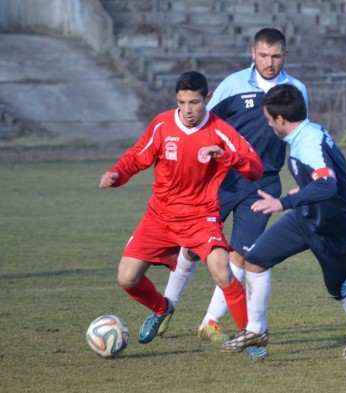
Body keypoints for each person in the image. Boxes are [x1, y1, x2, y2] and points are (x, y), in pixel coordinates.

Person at [159, 28, 309, 343]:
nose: (270, 62)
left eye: (276, 56)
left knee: (241, 255)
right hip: (222, 178)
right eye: (264, 55)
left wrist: (305, 181)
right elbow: (202, 124)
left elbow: (298, 137)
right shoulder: (233, 84)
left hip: (263, 182)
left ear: (285, 55)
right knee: (192, 246)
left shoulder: (296, 90)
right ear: (253, 53)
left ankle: (209, 322)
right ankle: (164, 308)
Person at [99, 71, 263, 346]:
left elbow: (256, 168)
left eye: (195, 102)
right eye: (182, 102)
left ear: (207, 99)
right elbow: (136, 158)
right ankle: (162, 308)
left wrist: (229, 156)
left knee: (223, 271)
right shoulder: (162, 125)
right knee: (127, 278)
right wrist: (117, 175)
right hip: (160, 216)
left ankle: (250, 337)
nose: (188, 110)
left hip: (201, 216)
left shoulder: (220, 130)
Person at [220, 84, 346, 360]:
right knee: (255, 258)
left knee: (340, 290)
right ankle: (256, 329)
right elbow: (323, 178)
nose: (268, 124)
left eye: (269, 119)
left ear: (281, 120)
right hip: (306, 218)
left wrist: (283, 202)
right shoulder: (309, 132)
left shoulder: (307, 144)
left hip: (339, 229)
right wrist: (300, 192)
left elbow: (327, 184)